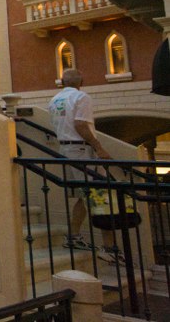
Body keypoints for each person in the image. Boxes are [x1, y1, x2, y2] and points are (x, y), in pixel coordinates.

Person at [49, 68, 113, 255]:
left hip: (66, 149)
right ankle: (109, 247)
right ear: (81, 82)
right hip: (82, 149)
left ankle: (74, 236)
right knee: (99, 194)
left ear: (61, 82)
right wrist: (98, 147)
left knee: (84, 195)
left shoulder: (54, 100)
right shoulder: (81, 97)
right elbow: (80, 124)